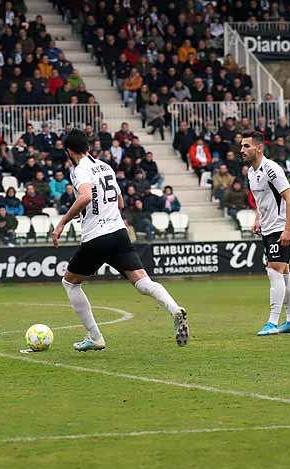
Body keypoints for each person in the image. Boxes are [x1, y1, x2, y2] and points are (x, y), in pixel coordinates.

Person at [50, 129, 189, 350]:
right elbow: (120, 202)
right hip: (119, 233)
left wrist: (61, 223)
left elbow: (85, 196)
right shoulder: (105, 166)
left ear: (69, 151)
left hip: (97, 236)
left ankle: (95, 337)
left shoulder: (79, 170)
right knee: (142, 281)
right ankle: (174, 309)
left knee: (70, 282)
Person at [239, 130, 290, 336]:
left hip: (279, 227)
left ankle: (273, 321)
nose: (242, 150)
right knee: (284, 273)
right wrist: (258, 218)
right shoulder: (250, 172)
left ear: (259, 148)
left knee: (273, 270)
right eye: (241, 146)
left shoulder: (272, 169)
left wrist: (287, 229)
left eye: (246, 146)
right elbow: (261, 199)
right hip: (268, 228)